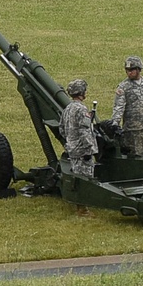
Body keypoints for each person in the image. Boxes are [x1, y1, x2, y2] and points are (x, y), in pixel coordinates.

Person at [110, 56, 143, 159]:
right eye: (127, 70)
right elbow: (118, 108)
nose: (129, 73)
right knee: (136, 158)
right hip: (132, 130)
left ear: (139, 69)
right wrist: (115, 125)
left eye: (132, 70)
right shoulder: (123, 87)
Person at [60, 80, 98, 217]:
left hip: (72, 149)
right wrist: (90, 148)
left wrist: (71, 141)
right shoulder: (81, 109)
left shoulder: (68, 109)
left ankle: (80, 206)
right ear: (81, 93)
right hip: (83, 151)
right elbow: (84, 130)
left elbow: (62, 129)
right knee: (85, 179)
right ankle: (83, 210)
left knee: (77, 176)